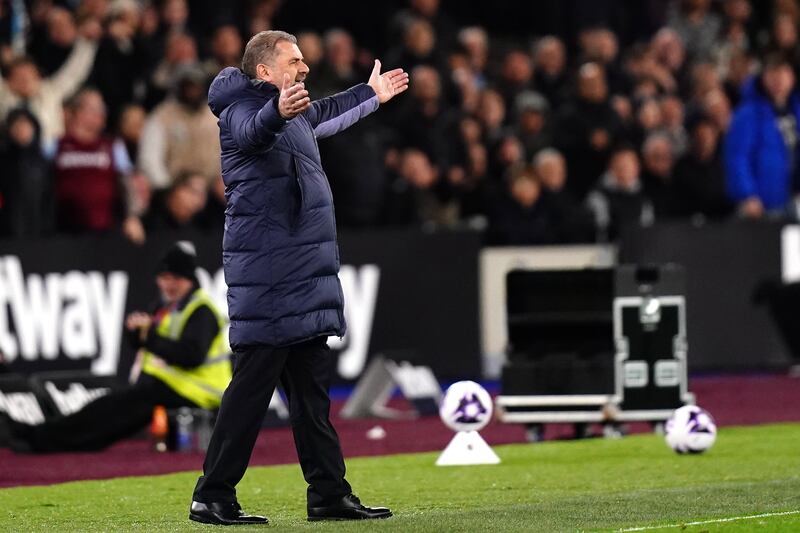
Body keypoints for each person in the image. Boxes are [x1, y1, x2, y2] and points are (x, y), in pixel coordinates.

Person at [189, 30, 408, 525]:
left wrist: (370, 95)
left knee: (312, 400)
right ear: (265, 71)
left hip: (301, 279)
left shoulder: (294, 112)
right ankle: (212, 494)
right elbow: (254, 132)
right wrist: (276, 113)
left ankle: (328, 493)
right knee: (249, 394)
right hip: (268, 278)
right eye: (295, 60)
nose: (304, 67)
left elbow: (324, 114)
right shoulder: (240, 108)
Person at [0, 242, 231, 453]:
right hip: (170, 388)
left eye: (175, 278)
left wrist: (148, 337)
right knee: (106, 410)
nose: (168, 284)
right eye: (164, 277)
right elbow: (152, 347)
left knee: (111, 411)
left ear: (189, 279)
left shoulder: (201, 310)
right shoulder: (169, 307)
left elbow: (191, 355)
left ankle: (38, 439)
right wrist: (136, 335)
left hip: (197, 393)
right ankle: (39, 438)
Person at [724, 53, 800, 219]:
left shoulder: (796, 110)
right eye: (773, 73)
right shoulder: (748, 113)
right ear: (763, 77)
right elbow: (738, 156)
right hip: (763, 205)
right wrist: (747, 195)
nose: (778, 79)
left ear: (792, 77)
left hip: (794, 202)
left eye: (783, 73)